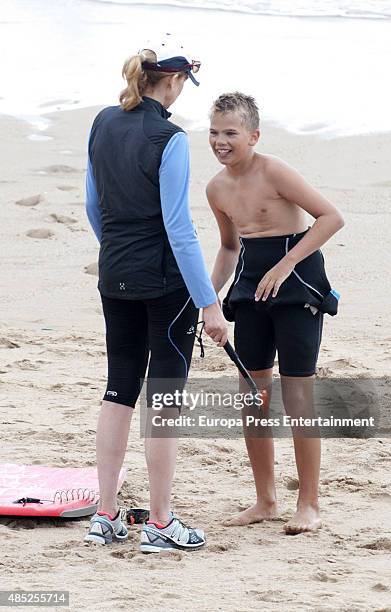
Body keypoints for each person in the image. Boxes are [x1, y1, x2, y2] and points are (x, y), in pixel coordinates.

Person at [84, 37, 228, 552]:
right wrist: (209, 302)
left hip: (114, 274)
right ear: (172, 81)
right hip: (164, 285)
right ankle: (162, 524)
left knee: (119, 387)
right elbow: (179, 227)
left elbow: (92, 204)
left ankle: (104, 515)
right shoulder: (169, 137)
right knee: (164, 399)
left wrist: (120, 252)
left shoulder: (102, 121)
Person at [206, 92, 344, 534]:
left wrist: (286, 265)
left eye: (230, 132)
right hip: (250, 288)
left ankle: (309, 504)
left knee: (299, 395)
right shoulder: (216, 188)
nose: (220, 141)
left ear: (253, 134)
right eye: (214, 132)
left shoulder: (275, 170)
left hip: (297, 283)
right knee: (253, 396)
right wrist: (208, 296)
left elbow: (329, 217)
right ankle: (266, 500)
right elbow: (230, 247)